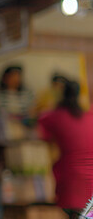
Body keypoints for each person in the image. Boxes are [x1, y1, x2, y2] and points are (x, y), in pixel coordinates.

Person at [38, 81, 93, 218]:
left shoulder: (54, 116)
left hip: (70, 177)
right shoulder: (88, 117)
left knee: (75, 213)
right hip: (89, 177)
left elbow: (40, 128)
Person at [0, 66, 33, 142]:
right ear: (5, 78)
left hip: (23, 125)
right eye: (12, 76)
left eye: (18, 76)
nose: (15, 79)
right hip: (5, 127)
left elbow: (31, 111)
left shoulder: (27, 94)